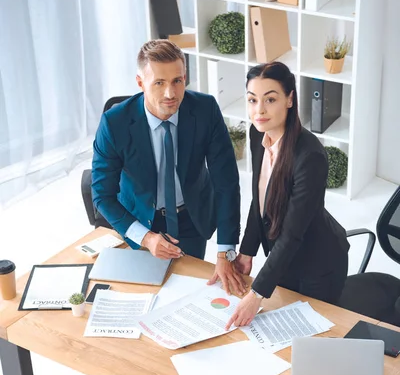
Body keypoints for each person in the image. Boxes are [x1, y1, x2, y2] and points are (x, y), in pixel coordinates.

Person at [92, 39, 246, 295]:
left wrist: (225, 252)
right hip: (140, 219)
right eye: (159, 83)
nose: (170, 94)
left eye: (177, 81)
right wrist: (145, 237)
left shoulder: (205, 110)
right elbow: (102, 194)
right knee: (146, 295)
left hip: (193, 217)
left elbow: (226, 183)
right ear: (141, 83)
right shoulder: (114, 123)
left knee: (190, 291)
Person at [226, 62, 349, 329]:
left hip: (318, 266)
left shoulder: (310, 156)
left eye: (270, 99)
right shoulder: (258, 132)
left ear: (290, 99)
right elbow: (260, 199)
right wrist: (247, 252)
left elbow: (293, 233)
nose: (259, 110)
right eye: (252, 99)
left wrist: (256, 294)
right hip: (284, 259)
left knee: (307, 339)